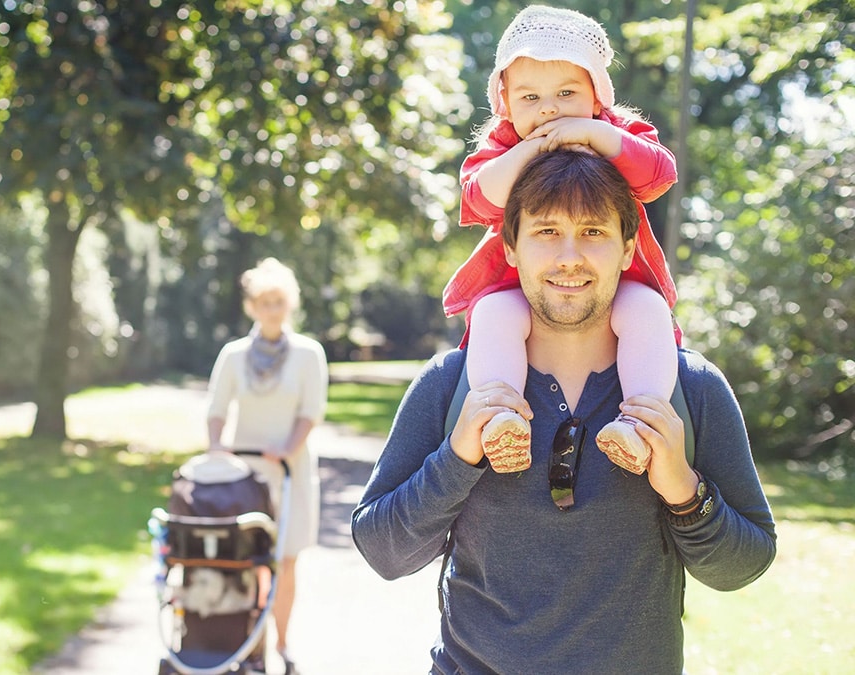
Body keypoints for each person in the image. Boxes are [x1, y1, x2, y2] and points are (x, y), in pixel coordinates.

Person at [351, 150, 777, 674]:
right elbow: (383, 552)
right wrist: (457, 459)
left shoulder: (690, 388)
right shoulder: (451, 386)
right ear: (511, 247)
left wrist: (683, 491)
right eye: (547, 231)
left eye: (594, 232)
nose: (569, 257)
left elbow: (744, 564)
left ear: (627, 249)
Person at [444, 5, 680, 475]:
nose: (549, 109)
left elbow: (660, 174)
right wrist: (531, 149)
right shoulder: (505, 145)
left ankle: (639, 427)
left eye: (566, 93)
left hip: (615, 276)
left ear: (596, 96)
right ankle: (501, 419)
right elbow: (477, 199)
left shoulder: (613, 132)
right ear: (505, 102)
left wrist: (597, 135)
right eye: (530, 97)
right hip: (523, 279)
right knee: (493, 315)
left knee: (648, 312)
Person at [206, 257, 328, 675]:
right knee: (249, 560)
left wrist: (286, 447)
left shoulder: (309, 354)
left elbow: (311, 412)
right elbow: (217, 409)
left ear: (289, 304)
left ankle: (283, 641)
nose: (271, 309)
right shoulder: (234, 355)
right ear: (252, 306)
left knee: (285, 560)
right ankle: (250, 642)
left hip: (290, 470)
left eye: (278, 301)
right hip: (245, 475)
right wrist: (217, 447)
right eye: (263, 302)